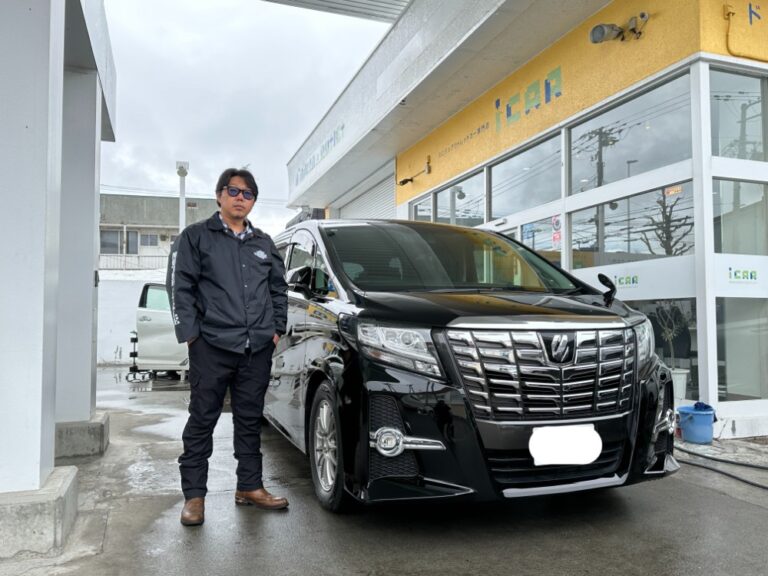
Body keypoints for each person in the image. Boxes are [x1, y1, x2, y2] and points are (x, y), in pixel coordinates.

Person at [167, 167, 288, 526]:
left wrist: (276, 330)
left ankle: (249, 486)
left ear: (253, 201)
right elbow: (180, 287)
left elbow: (278, 290)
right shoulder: (195, 237)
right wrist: (192, 336)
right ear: (219, 195)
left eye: (248, 194)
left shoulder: (264, 243)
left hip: (256, 348)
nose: (240, 198)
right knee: (202, 420)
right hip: (212, 346)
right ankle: (194, 497)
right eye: (233, 191)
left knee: (249, 420)